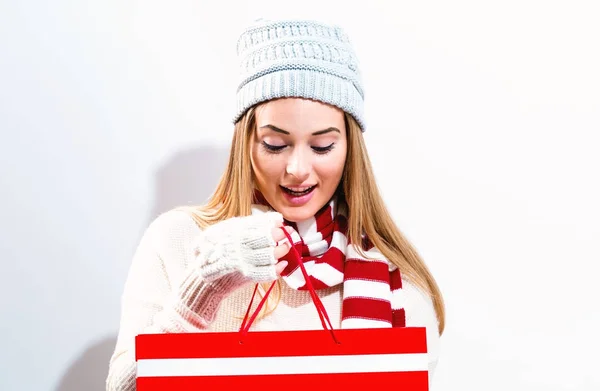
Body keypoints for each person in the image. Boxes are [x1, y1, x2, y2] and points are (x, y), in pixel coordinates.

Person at [106, 17, 445, 390]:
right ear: (246, 143)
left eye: (322, 146)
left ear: (349, 149)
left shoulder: (397, 283)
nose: (297, 169)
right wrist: (205, 286)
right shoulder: (178, 242)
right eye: (275, 144)